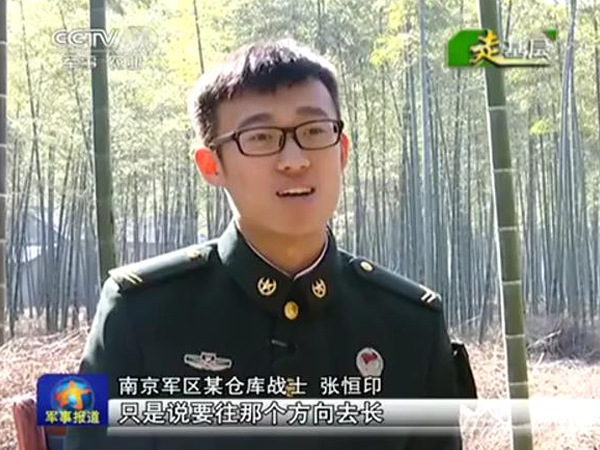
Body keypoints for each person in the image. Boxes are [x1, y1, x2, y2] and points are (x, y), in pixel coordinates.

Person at [64, 38, 476, 450]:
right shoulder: (140, 313)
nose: (295, 160)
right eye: (260, 137)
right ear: (211, 165)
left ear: (342, 152)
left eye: (314, 131)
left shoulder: (410, 325)